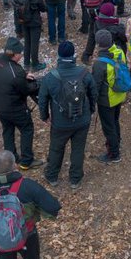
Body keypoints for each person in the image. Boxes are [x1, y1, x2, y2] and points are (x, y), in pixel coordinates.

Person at [39, 42, 98, 189]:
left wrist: (44, 116)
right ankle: (75, 179)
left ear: (59, 56)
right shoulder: (84, 73)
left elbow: (43, 99)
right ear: (73, 55)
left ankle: (52, 176)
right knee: (78, 149)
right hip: (82, 119)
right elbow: (93, 94)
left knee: (56, 148)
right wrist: (90, 110)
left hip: (60, 122)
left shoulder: (50, 77)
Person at [0, 37, 43, 170]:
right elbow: (25, 89)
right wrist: (36, 84)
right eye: (20, 53)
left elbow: (11, 74)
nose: (21, 55)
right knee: (27, 129)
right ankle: (26, 161)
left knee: (8, 129)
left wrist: (23, 75)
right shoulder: (16, 72)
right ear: (14, 54)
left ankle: (10, 158)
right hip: (13, 108)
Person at [92, 30, 128, 163]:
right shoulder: (119, 51)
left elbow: (95, 85)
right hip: (119, 94)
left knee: (108, 126)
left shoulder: (99, 63)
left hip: (107, 100)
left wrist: (92, 102)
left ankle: (114, 153)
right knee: (115, 120)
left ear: (98, 45)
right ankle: (116, 141)